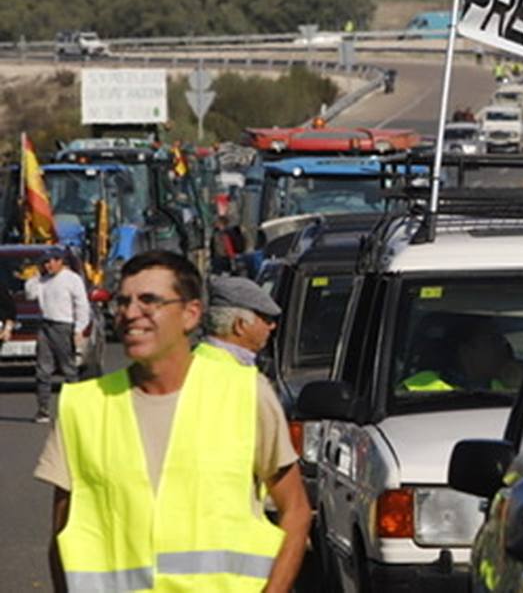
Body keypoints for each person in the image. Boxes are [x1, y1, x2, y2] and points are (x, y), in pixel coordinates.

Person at [33, 250, 310, 591]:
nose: (131, 313)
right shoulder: (83, 407)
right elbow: (62, 537)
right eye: (123, 302)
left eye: (149, 301)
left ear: (191, 314)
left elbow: (295, 510)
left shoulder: (244, 393)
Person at [25, 251, 90, 423]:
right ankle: (43, 409)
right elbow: (30, 294)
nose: (48, 266)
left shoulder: (71, 279)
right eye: (44, 263)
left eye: (51, 262)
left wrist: (79, 329)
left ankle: (77, 409)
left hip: (63, 326)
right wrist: (34, 277)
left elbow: (82, 304)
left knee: (68, 369)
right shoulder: (43, 281)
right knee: (43, 369)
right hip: (46, 324)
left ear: (60, 261)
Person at [198, 275, 282, 367]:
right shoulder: (236, 372)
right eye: (267, 319)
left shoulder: (189, 361)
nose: (272, 325)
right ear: (240, 325)